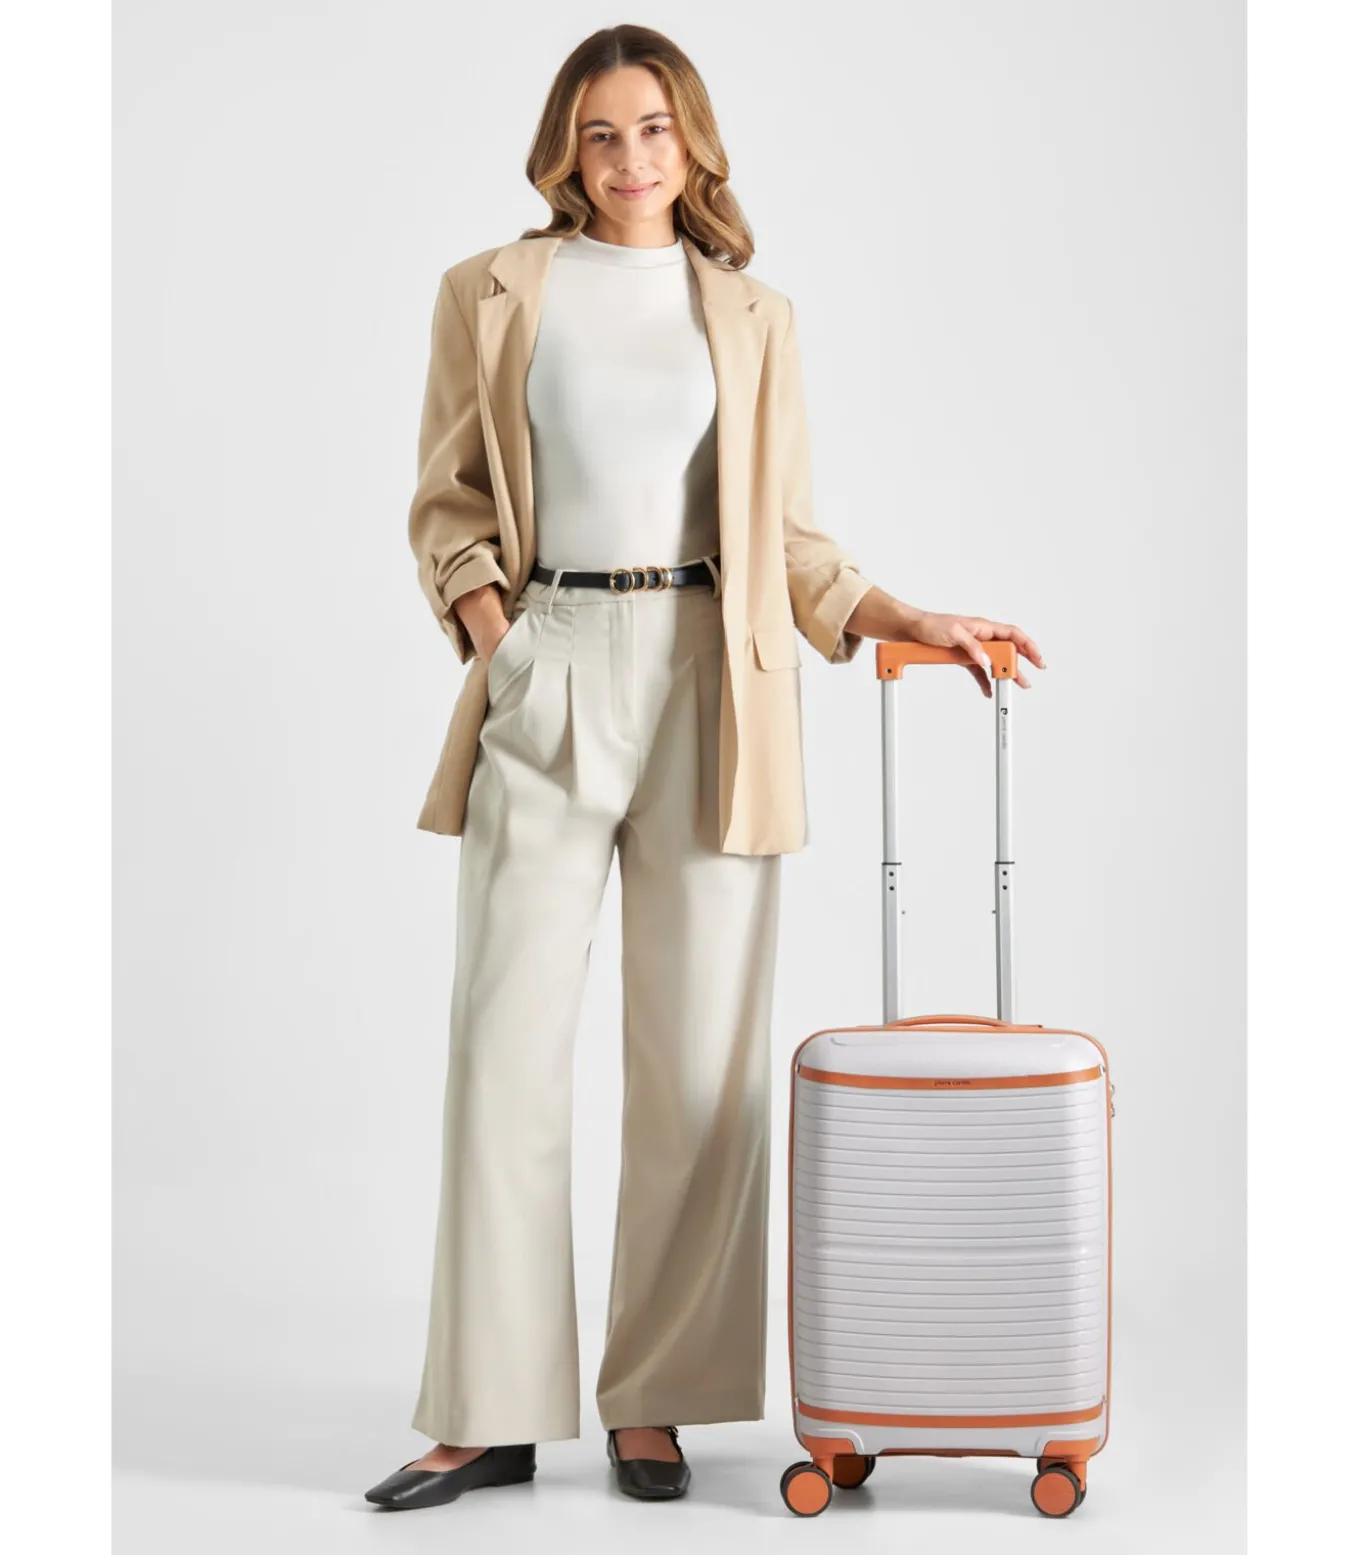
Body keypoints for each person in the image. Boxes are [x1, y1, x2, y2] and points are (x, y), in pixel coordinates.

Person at [366, 23, 1044, 1512]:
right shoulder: (492, 291)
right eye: (602, 132)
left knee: (695, 1067)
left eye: (655, 129)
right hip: (550, 665)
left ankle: (656, 1400)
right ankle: (487, 1410)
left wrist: (905, 615)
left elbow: (787, 538)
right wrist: (502, 646)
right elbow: (447, 504)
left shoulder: (750, 315)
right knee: (502, 1052)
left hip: (712, 684)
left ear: (695, 143)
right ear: (567, 147)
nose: (630, 158)